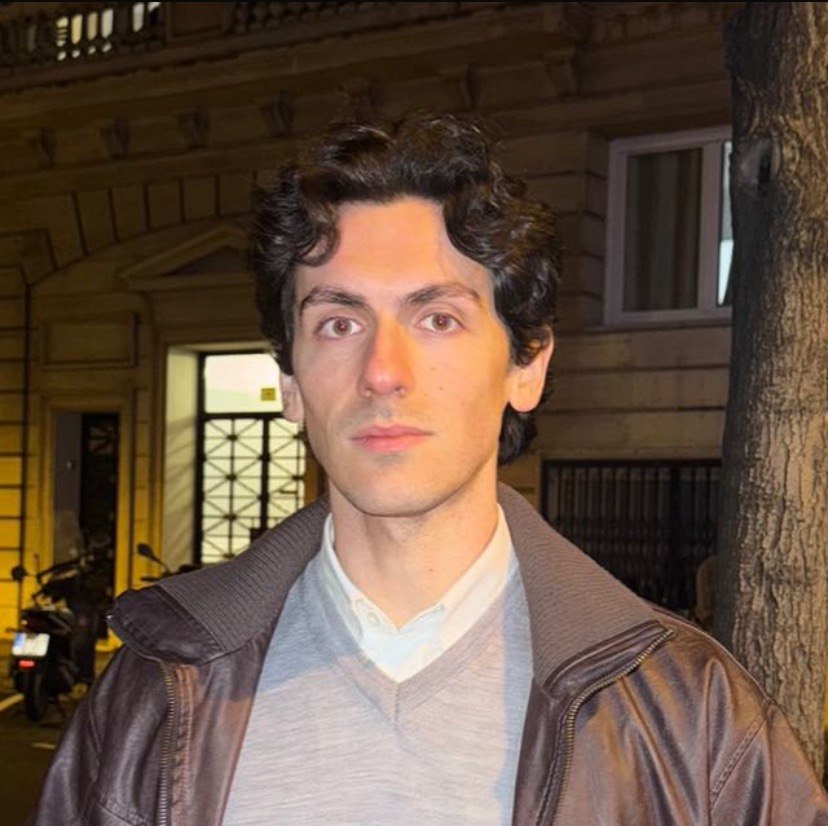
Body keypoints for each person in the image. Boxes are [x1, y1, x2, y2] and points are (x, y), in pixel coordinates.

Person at [30, 113, 827, 825]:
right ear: (291, 384)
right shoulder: (148, 692)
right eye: (339, 323)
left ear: (526, 366)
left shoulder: (695, 717)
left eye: (437, 318)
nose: (383, 372)